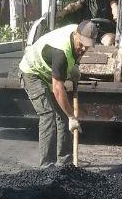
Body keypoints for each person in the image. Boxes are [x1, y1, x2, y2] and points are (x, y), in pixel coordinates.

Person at [19, 20, 97, 169]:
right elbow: (57, 88)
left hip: (47, 73)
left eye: (87, 47)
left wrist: (73, 67)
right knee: (48, 114)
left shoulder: (79, 31)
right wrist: (72, 117)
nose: (82, 49)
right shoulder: (61, 50)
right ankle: (47, 166)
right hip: (32, 72)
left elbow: (74, 56)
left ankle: (65, 162)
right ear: (76, 35)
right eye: (81, 44)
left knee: (61, 112)